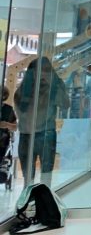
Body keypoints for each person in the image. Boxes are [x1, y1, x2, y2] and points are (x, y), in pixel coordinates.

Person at [14, 56, 69, 187]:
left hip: (43, 133)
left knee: (45, 177)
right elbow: (19, 108)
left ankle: (41, 202)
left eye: (46, 70)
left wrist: (54, 84)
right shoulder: (25, 89)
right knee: (29, 179)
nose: (43, 74)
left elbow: (65, 104)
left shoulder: (52, 87)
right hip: (28, 134)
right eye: (40, 70)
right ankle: (30, 201)